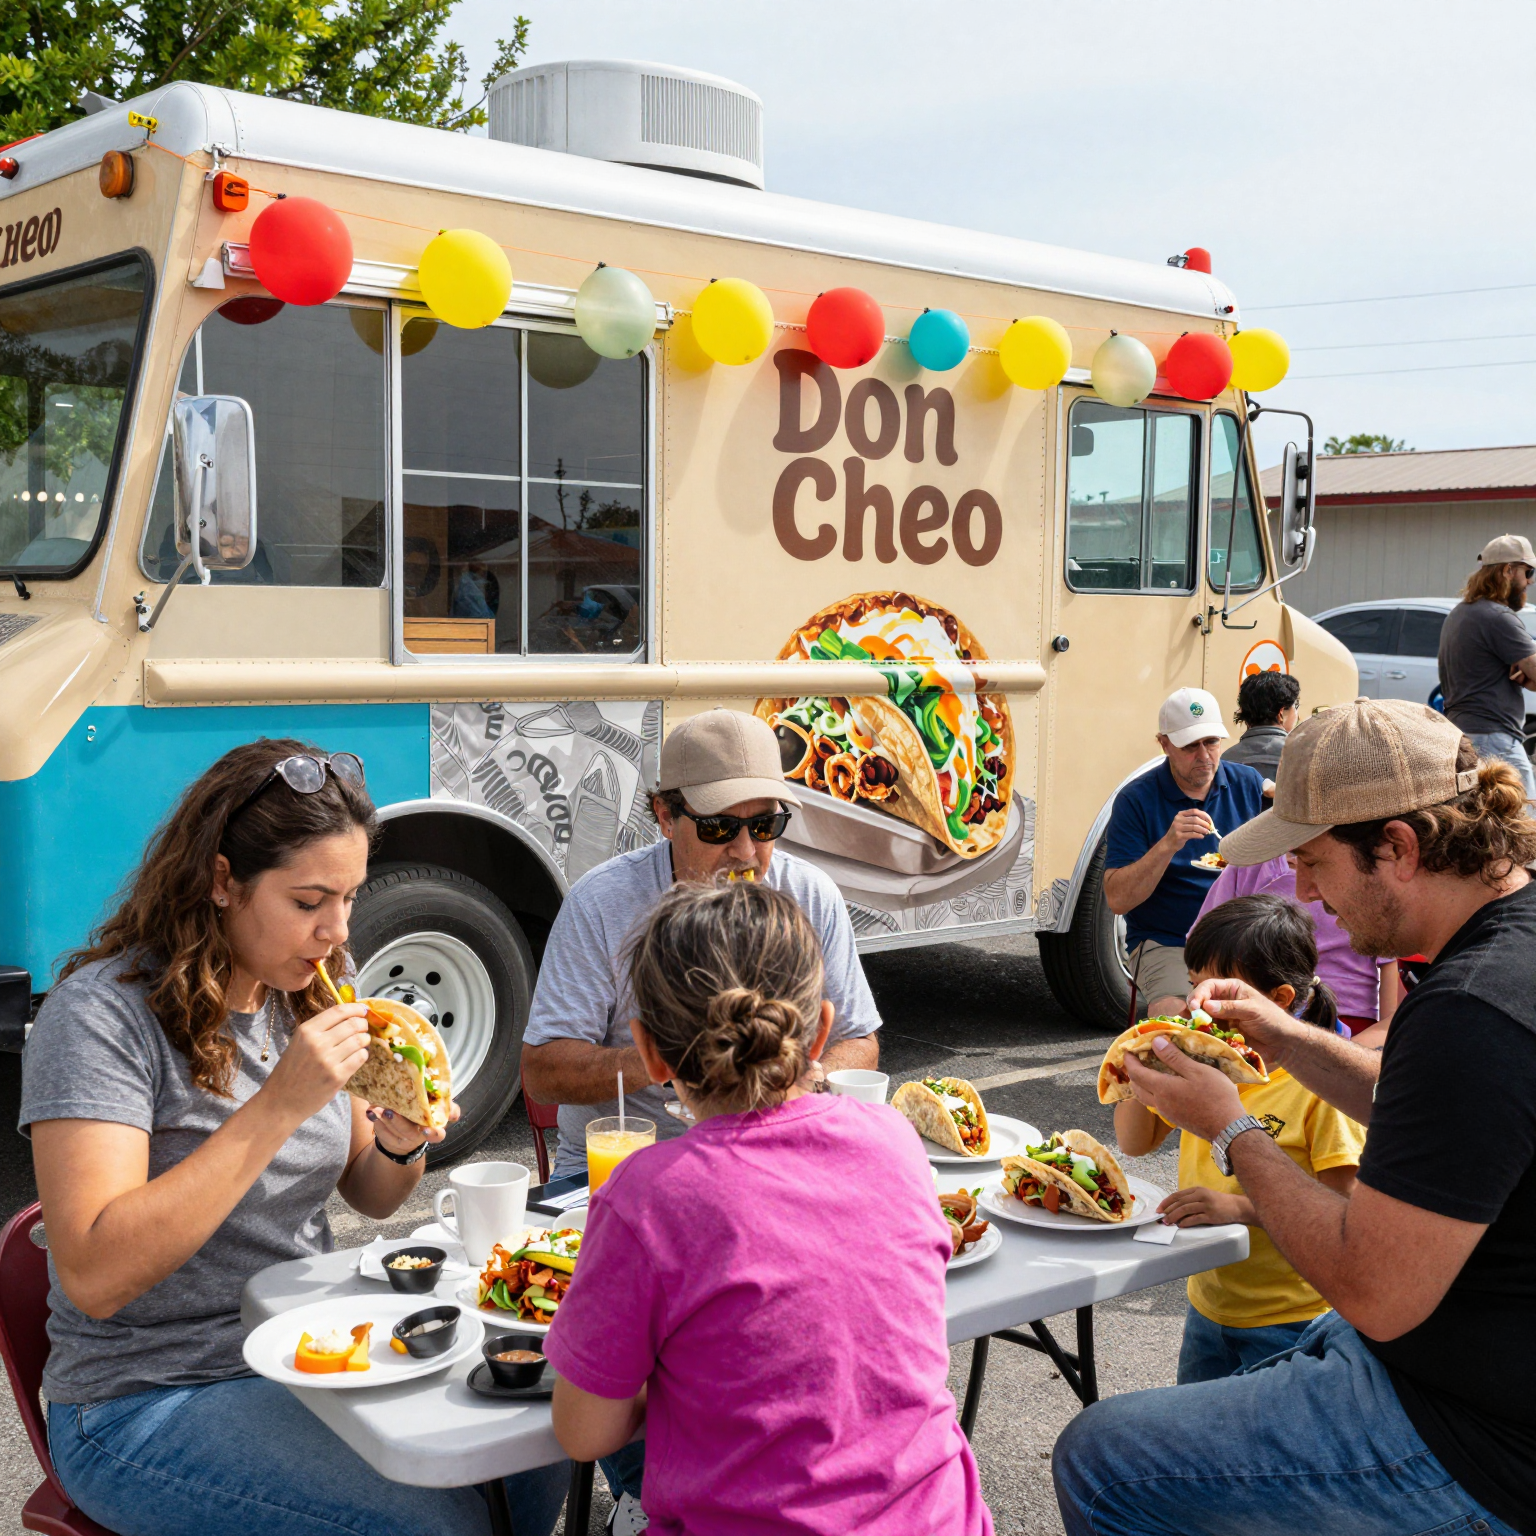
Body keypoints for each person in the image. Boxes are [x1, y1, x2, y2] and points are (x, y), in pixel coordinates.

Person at [21, 740, 568, 1536]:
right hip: (147, 1397)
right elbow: (96, 1275)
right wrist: (276, 1106)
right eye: (309, 902)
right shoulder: (101, 1018)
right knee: (439, 1526)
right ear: (220, 880)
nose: (336, 932)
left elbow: (368, 1192)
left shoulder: (304, 992)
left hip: (309, 1346)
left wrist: (404, 1140)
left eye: (348, 898)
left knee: (535, 1449)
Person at [1053, 697, 1536, 1536]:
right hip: (1455, 1366)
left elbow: (1376, 1293)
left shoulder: (1473, 1010)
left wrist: (1231, 1128)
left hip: (1473, 1442)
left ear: (1399, 848)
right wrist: (1285, 1035)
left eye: (1313, 861)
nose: (1304, 892)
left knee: (1102, 1460)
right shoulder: (1504, 952)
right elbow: (1432, 1109)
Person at [520, 707, 881, 1529]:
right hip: (615, 1170)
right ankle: (671, 1490)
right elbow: (541, 1066)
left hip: (778, 1161)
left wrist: (796, 1080)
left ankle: (689, 1493)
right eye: (720, 826)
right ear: (663, 813)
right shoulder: (604, 903)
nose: (748, 852)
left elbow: (861, 1038)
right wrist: (688, 1061)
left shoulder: (809, 894)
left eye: (767, 824)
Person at [545, 879, 992, 1536]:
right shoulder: (895, 1140)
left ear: (648, 1051)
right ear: (822, 1036)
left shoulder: (646, 1198)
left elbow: (584, 1433)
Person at [1114, 894, 1363, 1384]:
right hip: (1209, 1304)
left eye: (1217, 993)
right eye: (1192, 988)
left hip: (1292, 1318)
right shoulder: (1202, 1068)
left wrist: (1236, 1210)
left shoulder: (1321, 1088)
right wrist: (1136, 1067)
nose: (1197, 1009)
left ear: (1278, 1001)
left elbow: (1345, 1208)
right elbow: (1134, 1142)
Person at [1102, 687, 1267, 1016]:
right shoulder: (1136, 799)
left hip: (1241, 940)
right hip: (1168, 939)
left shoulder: (1247, 783)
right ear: (1163, 744)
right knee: (1178, 1016)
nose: (1205, 756)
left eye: (1212, 742)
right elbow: (1118, 900)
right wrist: (1168, 845)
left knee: (1269, 1015)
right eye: (1191, 746)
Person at [1192, 852, 1396, 1038]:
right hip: (1236, 1013)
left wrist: (1347, 1058)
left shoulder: (1375, 879)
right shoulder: (1250, 861)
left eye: (1312, 860)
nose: (1303, 893)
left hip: (1350, 1026)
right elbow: (1204, 950)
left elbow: (1392, 1021)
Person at [1438, 531, 1536, 798]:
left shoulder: (1460, 613)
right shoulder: (1498, 617)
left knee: (1481, 825)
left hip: (1464, 734)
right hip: (1495, 739)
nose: (1529, 582)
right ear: (1508, 570)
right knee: (1524, 821)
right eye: (1528, 572)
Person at [1221, 670, 1300, 778]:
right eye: (1296, 706)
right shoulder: (1302, 755)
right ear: (1280, 713)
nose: (1297, 715)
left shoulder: (1225, 760)